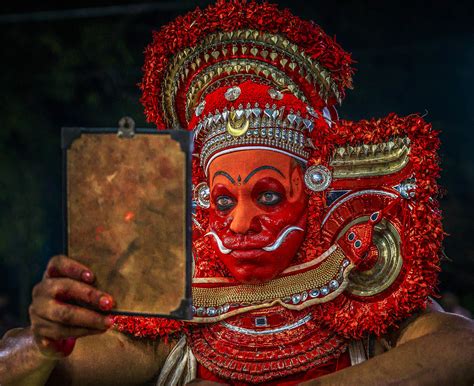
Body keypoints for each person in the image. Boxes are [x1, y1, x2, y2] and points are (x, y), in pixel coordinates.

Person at [1, 1, 473, 385]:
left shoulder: (359, 312)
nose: (240, 224)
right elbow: (20, 368)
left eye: (268, 196)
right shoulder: (179, 324)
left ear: (313, 197)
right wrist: (44, 345)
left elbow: (462, 346)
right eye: (224, 200)